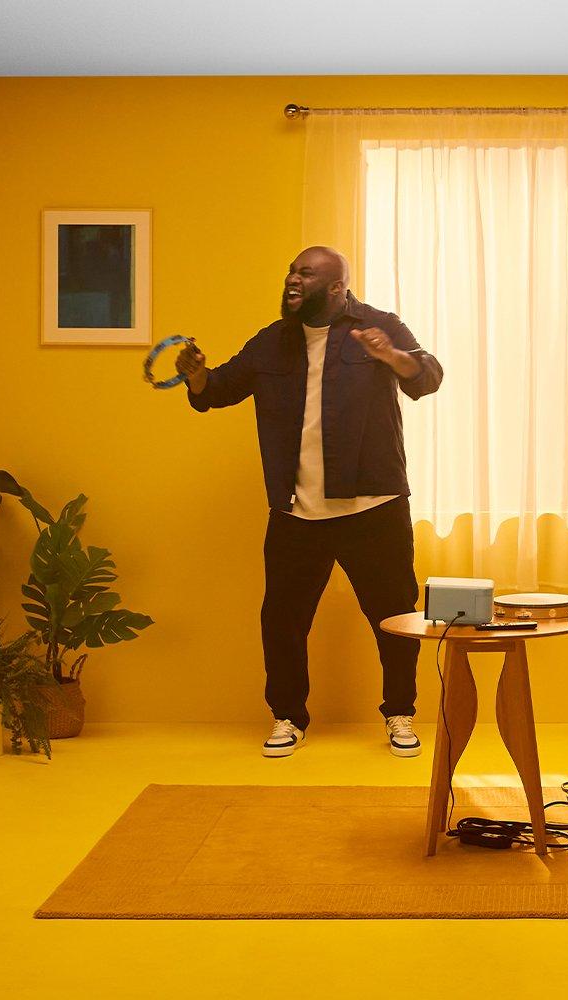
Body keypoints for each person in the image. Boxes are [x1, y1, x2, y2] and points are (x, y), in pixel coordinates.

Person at [177, 246, 444, 758]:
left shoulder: (380, 326)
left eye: (307, 274)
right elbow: (217, 391)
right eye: (292, 272)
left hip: (374, 506)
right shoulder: (273, 342)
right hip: (297, 511)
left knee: (394, 617)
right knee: (282, 620)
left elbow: (428, 378)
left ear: (338, 287)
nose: (293, 279)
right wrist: (195, 374)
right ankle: (287, 718)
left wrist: (391, 356)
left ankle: (400, 713)